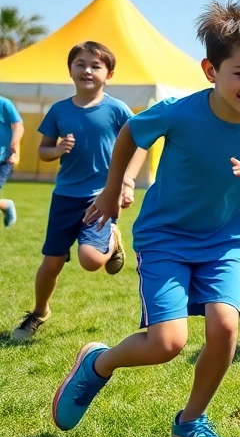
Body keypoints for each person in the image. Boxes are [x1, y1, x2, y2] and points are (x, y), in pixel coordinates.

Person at [52, 0, 240, 437]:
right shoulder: (179, 111)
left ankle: (191, 421)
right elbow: (132, 133)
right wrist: (116, 188)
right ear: (210, 69)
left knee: (225, 327)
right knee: (169, 343)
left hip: (225, 244)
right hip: (165, 240)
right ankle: (99, 363)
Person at [13, 42, 145, 341]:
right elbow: (43, 150)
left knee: (91, 261)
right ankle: (39, 311)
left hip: (102, 194)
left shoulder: (117, 109)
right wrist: (57, 148)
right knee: (51, 263)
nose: (87, 70)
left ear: (109, 74)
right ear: (70, 70)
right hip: (64, 197)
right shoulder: (59, 110)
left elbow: (139, 145)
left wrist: (126, 182)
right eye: (80, 64)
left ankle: (111, 237)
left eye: (96, 65)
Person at [0, 93, 22, 228]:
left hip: (3, 159)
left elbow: (18, 126)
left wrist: (14, 147)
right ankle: (5, 205)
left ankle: (7, 206)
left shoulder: (4, 103)